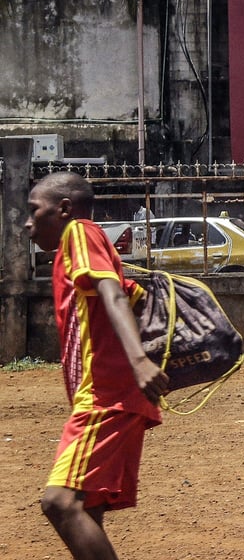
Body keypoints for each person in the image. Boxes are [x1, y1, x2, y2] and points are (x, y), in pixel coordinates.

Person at [26, 171, 169, 559]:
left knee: (59, 502)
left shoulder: (79, 233)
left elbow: (113, 294)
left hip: (107, 394)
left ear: (64, 209)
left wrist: (139, 361)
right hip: (115, 394)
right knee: (86, 507)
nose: (27, 222)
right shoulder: (82, 247)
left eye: (33, 211)